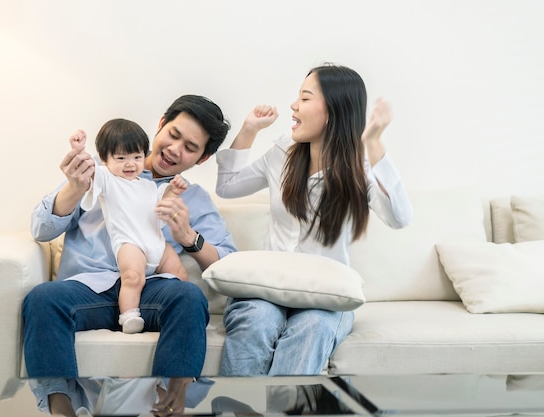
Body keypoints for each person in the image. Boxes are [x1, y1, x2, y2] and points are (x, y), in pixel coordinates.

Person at [23, 94, 234, 417]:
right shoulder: (101, 169)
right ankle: (60, 407)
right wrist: (75, 187)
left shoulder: (192, 197)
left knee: (189, 297)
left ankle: (170, 399)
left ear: (202, 159)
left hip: (150, 293)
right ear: (161, 124)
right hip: (88, 289)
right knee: (42, 299)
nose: (176, 149)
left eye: (191, 148)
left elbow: (227, 268)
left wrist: (187, 236)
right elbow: (41, 228)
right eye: (174, 135)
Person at [215, 64, 413, 376]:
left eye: (305, 99)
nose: (293, 106)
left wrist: (373, 141)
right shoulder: (283, 152)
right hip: (266, 290)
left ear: (333, 111)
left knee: (313, 327)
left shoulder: (359, 168)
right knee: (257, 321)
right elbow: (227, 187)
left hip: (324, 297)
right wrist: (249, 129)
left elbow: (400, 218)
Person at [69, 122, 187, 334]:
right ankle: (129, 315)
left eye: (137, 157)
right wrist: (79, 150)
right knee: (132, 277)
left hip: (157, 243)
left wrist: (173, 192)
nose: (130, 164)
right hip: (130, 245)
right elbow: (87, 170)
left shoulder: (149, 185)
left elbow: (162, 207)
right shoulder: (107, 178)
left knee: (179, 272)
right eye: (121, 158)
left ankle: (188, 304)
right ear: (105, 159)